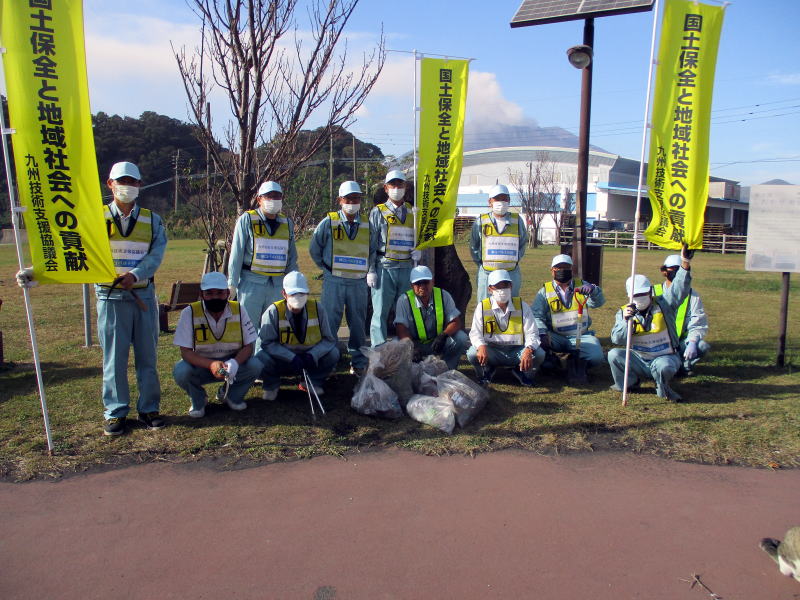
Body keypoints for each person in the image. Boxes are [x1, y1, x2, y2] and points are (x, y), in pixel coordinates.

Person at [172, 271, 263, 418]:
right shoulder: (189, 313)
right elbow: (186, 352)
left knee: (256, 365)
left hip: (231, 365)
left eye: (220, 293)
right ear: (202, 295)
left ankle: (231, 396)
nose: (215, 297)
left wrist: (234, 362)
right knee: (181, 371)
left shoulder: (239, 309)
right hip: (201, 365)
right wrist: (211, 364)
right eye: (209, 293)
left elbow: (249, 346)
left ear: (227, 293)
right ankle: (199, 400)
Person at [607, 248, 693, 401]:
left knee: (664, 367)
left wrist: (685, 263)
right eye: (636, 295)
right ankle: (629, 384)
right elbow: (617, 339)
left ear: (650, 292)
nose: (640, 298)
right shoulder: (623, 312)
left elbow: (679, 289)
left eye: (643, 294)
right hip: (639, 358)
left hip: (664, 357)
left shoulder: (664, 303)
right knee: (614, 354)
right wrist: (627, 322)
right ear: (629, 296)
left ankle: (662, 385)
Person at [310, 181, 377, 376]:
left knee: (357, 321)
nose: (353, 202)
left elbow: (372, 250)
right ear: (340, 200)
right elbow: (315, 248)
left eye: (356, 198)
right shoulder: (328, 222)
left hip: (358, 281)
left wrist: (370, 270)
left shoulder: (366, 224)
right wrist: (325, 268)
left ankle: (357, 360)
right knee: (330, 321)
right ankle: (329, 359)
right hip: (334, 280)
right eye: (348, 199)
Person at [254, 271, 340, 400]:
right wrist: (291, 357)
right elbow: (266, 343)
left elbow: (329, 340)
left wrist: (312, 355)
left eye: (301, 293)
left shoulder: (318, 309)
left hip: (310, 360)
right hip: (283, 360)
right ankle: (271, 385)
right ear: (284, 294)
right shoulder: (273, 312)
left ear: (307, 293)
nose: (298, 298)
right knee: (261, 357)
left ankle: (312, 382)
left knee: (333, 353)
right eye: (293, 294)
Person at [228, 180, 298, 329]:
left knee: (274, 328)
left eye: (277, 196)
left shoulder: (287, 223)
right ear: (259, 199)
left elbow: (292, 257)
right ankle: (251, 353)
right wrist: (232, 283)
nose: (273, 200)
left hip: (278, 285)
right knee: (248, 328)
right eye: (269, 196)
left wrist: (294, 285)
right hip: (251, 284)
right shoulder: (247, 220)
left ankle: (268, 353)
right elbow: (236, 254)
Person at [368, 169, 421, 346]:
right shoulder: (378, 212)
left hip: (406, 267)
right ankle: (379, 349)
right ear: (386, 188)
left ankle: (403, 346)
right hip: (385, 267)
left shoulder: (413, 213)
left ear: (405, 187)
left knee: (405, 310)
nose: (396, 188)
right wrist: (371, 270)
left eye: (400, 184)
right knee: (380, 312)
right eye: (393, 185)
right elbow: (371, 243)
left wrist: (418, 252)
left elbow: (418, 238)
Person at [467, 269, 545, 387]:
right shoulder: (482, 307)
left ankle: (523, 373)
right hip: (493, 351)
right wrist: (481, 346)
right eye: (497, 286)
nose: (502, 290)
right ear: (489, 289)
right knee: (473, 353)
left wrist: (528, 350)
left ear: (511, 286)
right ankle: (485, 372)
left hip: (516, 351)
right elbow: (475, 333)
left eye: (505, 285)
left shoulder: (522, 306)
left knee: (539, 354)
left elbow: (532, 333)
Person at [531, 253, 606, 369]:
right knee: (536, 342)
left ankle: (575, 364)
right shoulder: (544, 291)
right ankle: (550, 358)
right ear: (552, 270)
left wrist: (594, 290)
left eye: (566, 268)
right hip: (554, 336)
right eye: (558, 268)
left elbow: (598, 303)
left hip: (580, 336)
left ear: (571, 269)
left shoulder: (583, 286)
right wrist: (542, 333)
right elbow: (536, 315)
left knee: (596, 357)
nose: (562, 270)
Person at [393, 265, 470, 370]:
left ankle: (448, 369)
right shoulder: (404, 300)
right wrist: (412, 347)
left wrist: (443, 336)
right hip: (415, 343)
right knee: (395, 343)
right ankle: (409, 371)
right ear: (411, 285)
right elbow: (400, 328)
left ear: (432, 281)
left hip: (437, 343)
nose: (422, 286)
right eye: (418, 283)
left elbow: (456, 321)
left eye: (425, 282)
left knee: (461, 338)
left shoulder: (444, 295)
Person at [469, 184, 528, 301]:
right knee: (485, 308)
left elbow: (522, 243)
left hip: (511, 273)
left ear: (509, 200)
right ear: (490, 201)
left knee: (512, 307)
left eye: (504, 198)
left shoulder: (517, 220)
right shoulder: (481, 221)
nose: (501, 202)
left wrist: (515, 259)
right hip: (487, 273)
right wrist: (482, 263)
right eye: (497, 198)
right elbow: (473, 245)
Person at [654, 254, 710, 375]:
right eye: (673, 269)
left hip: (681, 344)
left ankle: (684, 365)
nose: (677, 273)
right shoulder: (653, 292)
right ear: (664, 271)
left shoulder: (692, 295)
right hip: (658, 344)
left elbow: (698, 322)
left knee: (702, 346)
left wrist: (692, 342)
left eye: (679, 269)